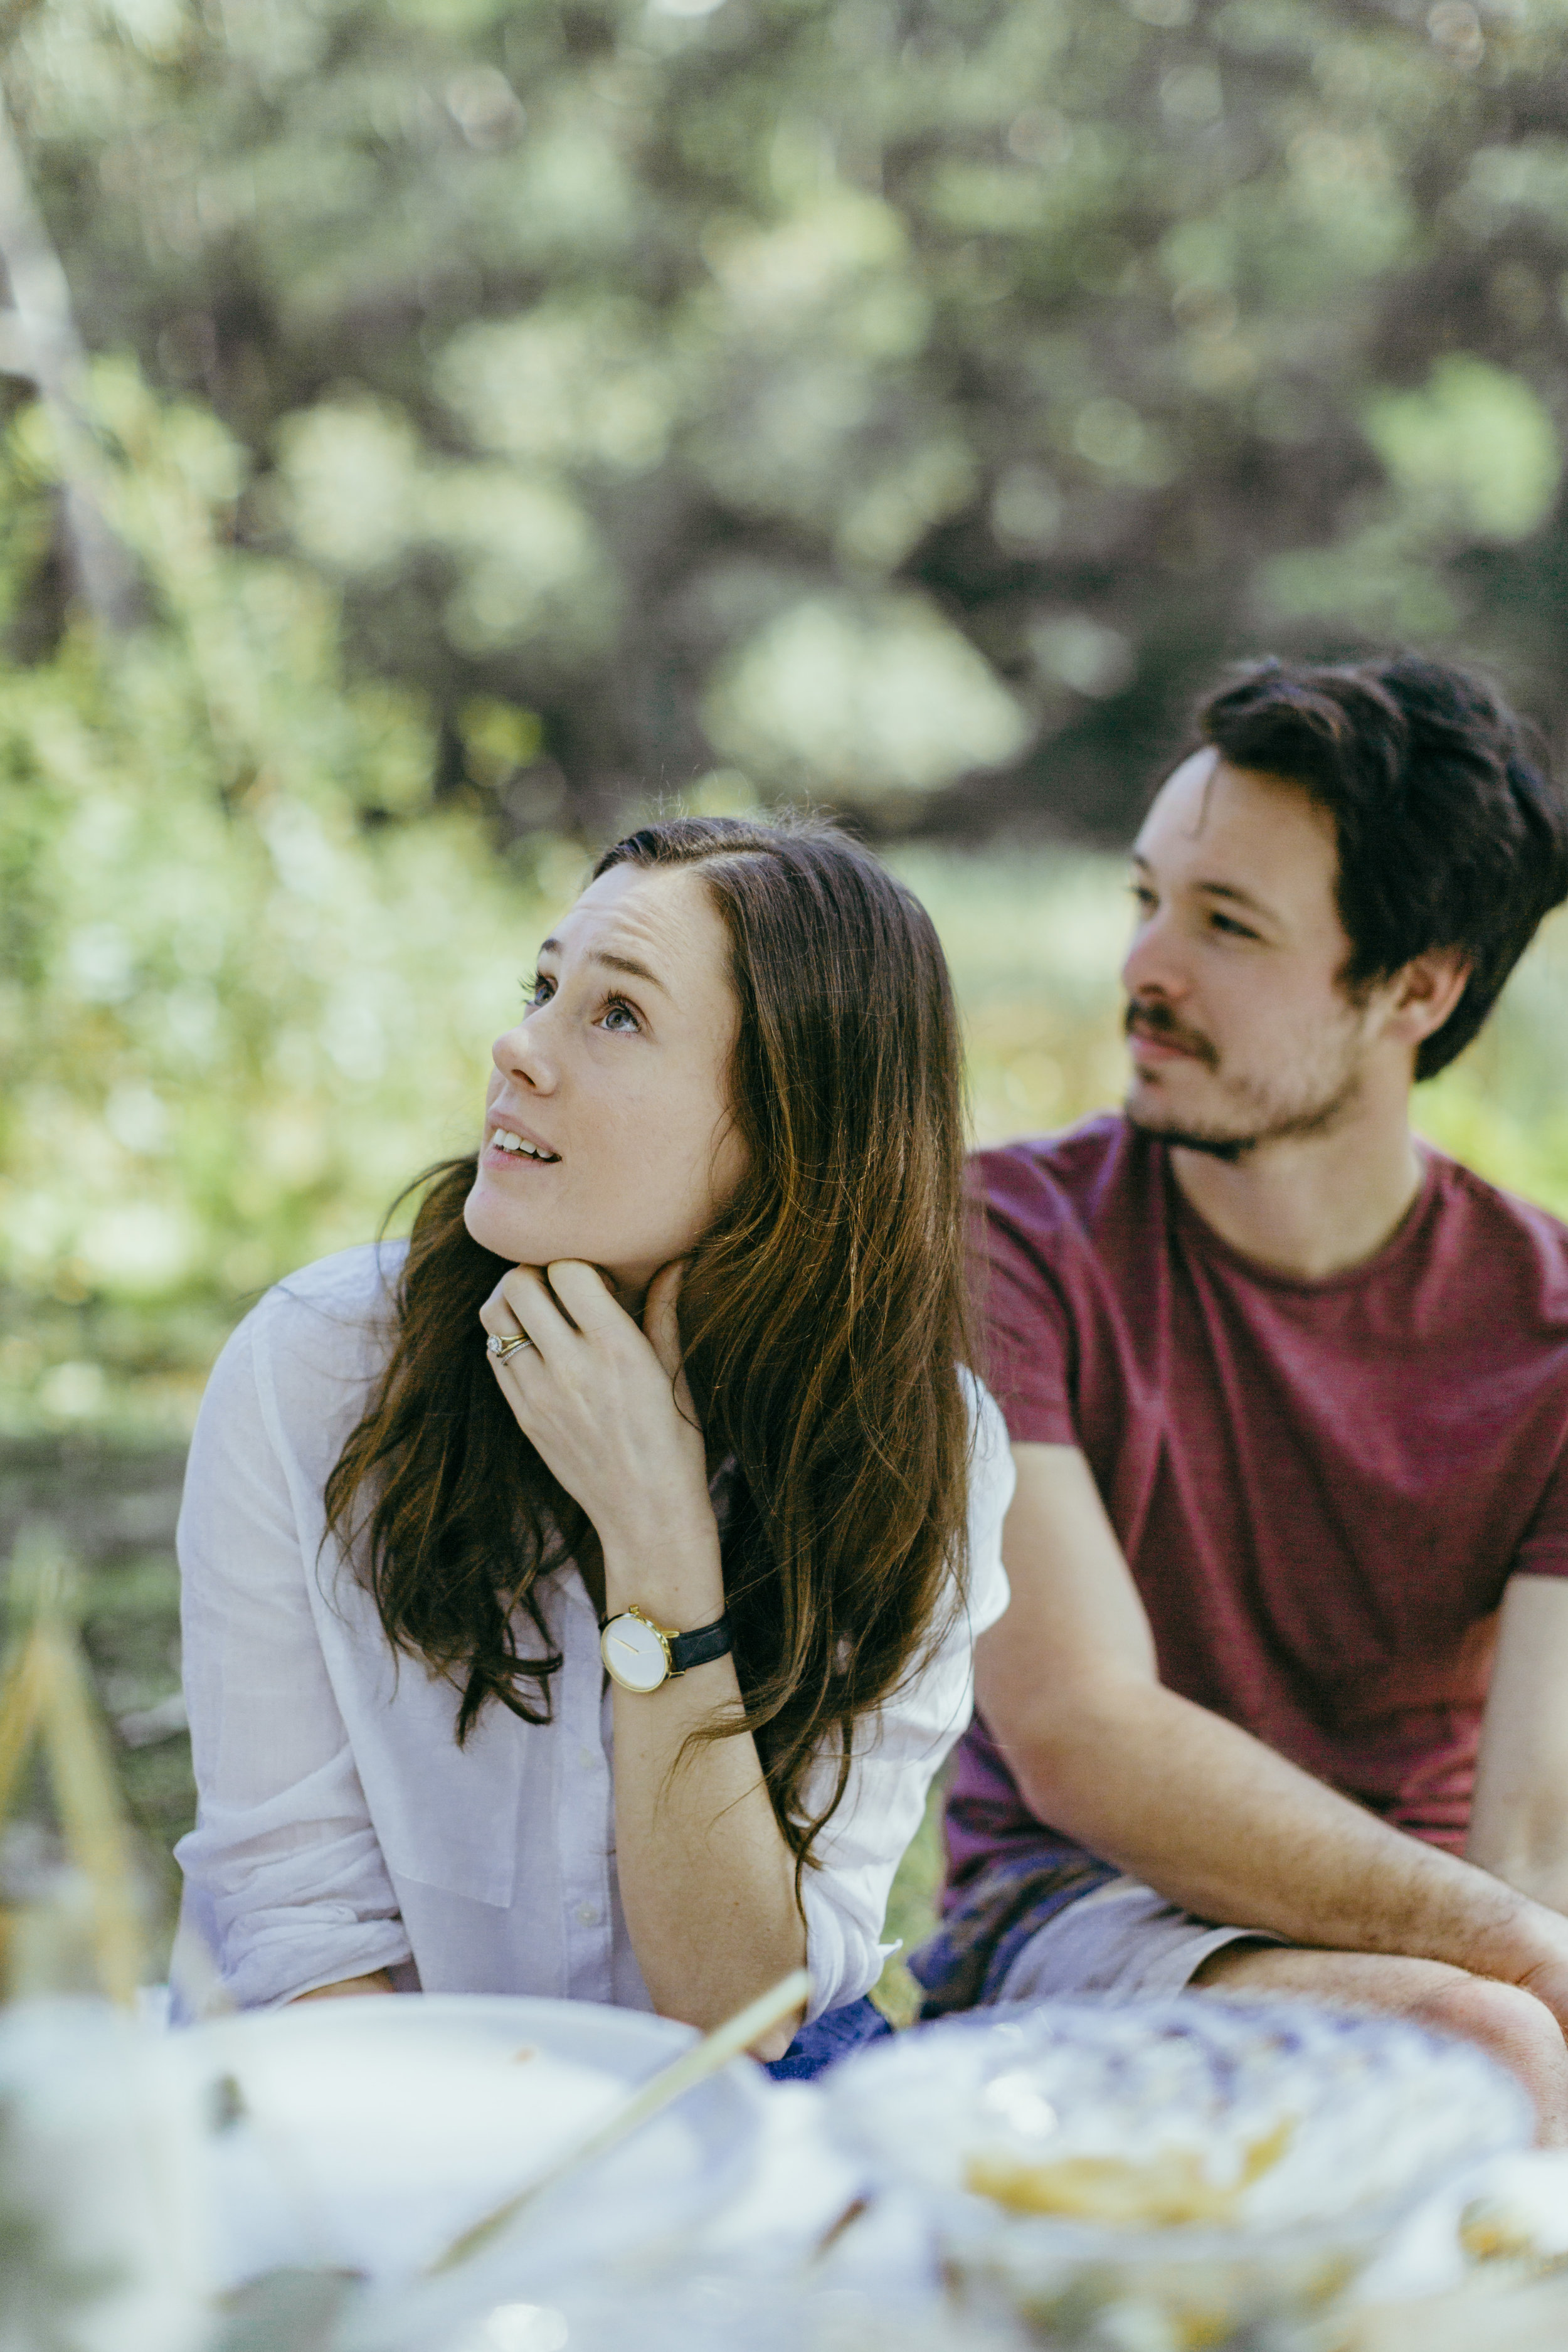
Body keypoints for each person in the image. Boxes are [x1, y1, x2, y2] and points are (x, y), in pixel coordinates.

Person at [175, 813, 1012, 2075]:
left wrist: (658, 1533)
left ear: (796, 1120)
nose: (519, 1048)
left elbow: (743, 2007)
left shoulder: (917, 1456)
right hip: (344, 2102)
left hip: (712, 2090)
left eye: (615, 1015)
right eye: (545, 985)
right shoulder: (312, 1369)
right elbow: (299, 1946)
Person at [913, 654, 1568, 2137]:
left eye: (1225, 925)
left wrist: (1520, 1957)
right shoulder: (1000, 1238)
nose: (1147, 966)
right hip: (1063, 1916)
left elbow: (1538, 1831)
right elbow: (1081, 1732)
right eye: (1145, 899)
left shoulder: (1548, 1332)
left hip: (1444, 1934)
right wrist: (1519, 1965)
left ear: (1415, 986)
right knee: (1480, 2047)